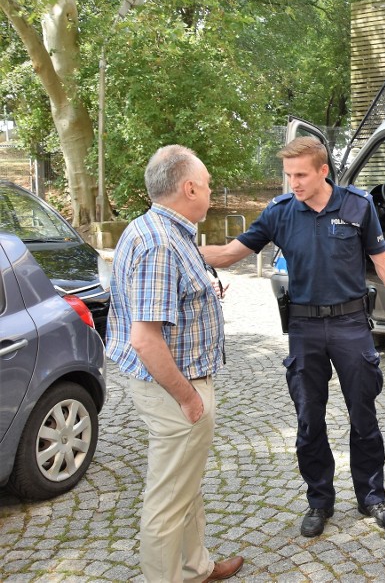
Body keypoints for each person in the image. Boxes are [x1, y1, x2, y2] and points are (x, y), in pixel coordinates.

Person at [200, 136, 385, 538]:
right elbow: (229, 253)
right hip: (304, 329)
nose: (294, 183)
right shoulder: (280, 212)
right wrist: (180, 243)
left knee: (364, 415)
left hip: (351, 326)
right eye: (289, 175)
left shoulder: (359, 205)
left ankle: (372, 497)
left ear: (323, 170)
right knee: (309, 420)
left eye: (301, 175)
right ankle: (319, 502)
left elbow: (383, 263)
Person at [106, 145, 243, 582]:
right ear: (188, 188)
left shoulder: (160, 230)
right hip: (174, 388)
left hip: (177, 383)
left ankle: (195, 568)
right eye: (205, 186)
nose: (208, 193)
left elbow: (169, 301)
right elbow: (146, 340)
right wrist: (188, 399)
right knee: (167, 500)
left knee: (185, 488)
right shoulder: (161, 243)